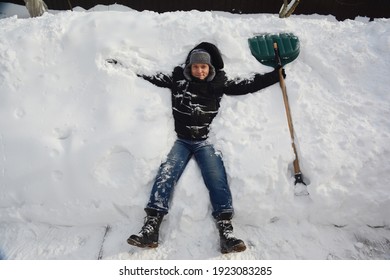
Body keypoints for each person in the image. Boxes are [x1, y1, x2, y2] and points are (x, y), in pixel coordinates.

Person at [127, 42, 285, 254]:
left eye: (204, 67)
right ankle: (151, 227)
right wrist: (126, 68)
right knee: (166, 173)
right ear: (189, 68)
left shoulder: (219, 82)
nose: (200, 70)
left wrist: (276, 75)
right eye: (196, 67)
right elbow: (152, 76)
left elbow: (246, 85)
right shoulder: (178, 80)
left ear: (210, 68)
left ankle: (226, 231)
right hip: (182, 141)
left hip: (205, 141)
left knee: (216, 178)